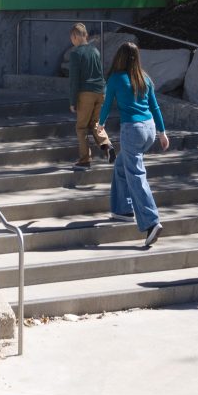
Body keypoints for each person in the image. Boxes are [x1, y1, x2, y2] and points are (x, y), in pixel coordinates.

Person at [101, 40, 170, 248]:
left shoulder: (115, 79)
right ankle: (122, 209)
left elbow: (106, 104)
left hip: (132, 130)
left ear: (119, 58)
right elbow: (155, 107)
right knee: (122, 165)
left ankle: (152, 222)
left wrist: (100, 123)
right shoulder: (144, 78)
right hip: (148, 129)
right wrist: (162, 132)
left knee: (137, 176)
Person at [62, 22, 106, 169]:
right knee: (95, 124)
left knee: (81, 128)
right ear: (85, 35)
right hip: (100, 91)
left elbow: (74, 79)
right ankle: (108, 148)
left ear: (74, 36)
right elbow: (101, 73)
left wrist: (72, 101)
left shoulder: (75, 53)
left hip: (85, 93)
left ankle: (85, 160)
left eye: (71, 38)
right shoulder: (95, 51)